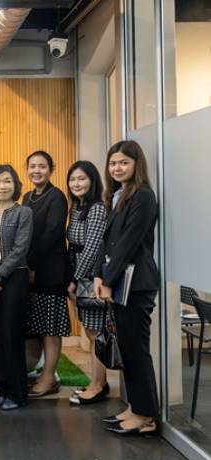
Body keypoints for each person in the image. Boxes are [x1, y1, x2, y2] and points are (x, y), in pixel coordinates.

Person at [93, 141, 159, 435]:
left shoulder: (143, 196)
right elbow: (107, 242)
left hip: (137, 284)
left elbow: (128, 244)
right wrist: (98, 275)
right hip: (120, 282)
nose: (117, 168)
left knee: (136, 351)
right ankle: (135, 407)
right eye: (113, 163)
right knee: (129, 350)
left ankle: (146, 416)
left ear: (136, 164)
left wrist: (107, 280)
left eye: (123, 163)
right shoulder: (118, 195)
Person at [0, 165, 33, 411]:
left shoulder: (23, 212)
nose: (2, 186)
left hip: (14, 276)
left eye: (7, 181)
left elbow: (20, 249)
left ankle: (17, 392)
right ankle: (2, 387)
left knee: (12, 334)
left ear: (15, 185)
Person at [23, 150, 71, 398]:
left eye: (42, 166)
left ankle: (49, 378)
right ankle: (41, 373)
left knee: (50, 328)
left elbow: (51, 235)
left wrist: (30, 264)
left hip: (51, 272)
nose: (37, 171)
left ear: (51, 169)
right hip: (29, 272)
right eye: (32, 166)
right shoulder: (27, 196)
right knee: (37, 326)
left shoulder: (57, 197)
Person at [65, 161, 109, 406]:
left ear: (92, 181)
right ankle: (98, 382)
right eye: (72, 179)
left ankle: (97, 387)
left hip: (90, 277)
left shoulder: (97, 208)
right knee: (91, 332)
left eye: (81, 179)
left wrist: (75, 279)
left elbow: (92, 248)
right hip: (78, 273)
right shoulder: (77, 207)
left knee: (96, 333)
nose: (76, 183)